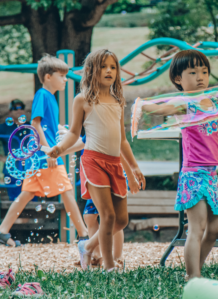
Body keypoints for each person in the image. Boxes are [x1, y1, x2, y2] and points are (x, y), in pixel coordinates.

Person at [139, 50, 218, 280]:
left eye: (204, 71)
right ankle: (193, 276)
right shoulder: (184, 104)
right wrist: (142, 105)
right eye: (192, 72)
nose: (200, 77)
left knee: (215, 229)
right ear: (178, 79)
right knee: (197, 228)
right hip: (193, 174)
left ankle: (196, 272)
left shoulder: (213, 102)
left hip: (211, 174)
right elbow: (163, 108)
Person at [47, 49, 146, 271]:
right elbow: (74, 133)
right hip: (93, 162)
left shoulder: (118, 100)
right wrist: (59, 148)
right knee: (107, 215)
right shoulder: (82, 100)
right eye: (103, 66)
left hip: (114, 163)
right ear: (91, 70)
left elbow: (122, 140)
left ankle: (87, 246)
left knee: (121, 220)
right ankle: (109, 266)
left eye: (113, 67)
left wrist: (134, 166)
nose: (109, 71)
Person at [0, 55, 89, 248]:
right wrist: (48, 151)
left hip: (40, 156)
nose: (66, 79)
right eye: (62, 75)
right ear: (48, 77)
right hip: (46, 157)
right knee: (66, 191)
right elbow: (35, 123)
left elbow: (47, 126)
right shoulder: (43, 95)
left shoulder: (49, 97)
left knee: (27, 193)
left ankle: (3, 230)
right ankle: (84, 235)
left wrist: (61, 129)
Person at [57, 132, 140, 267]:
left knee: (113, 217)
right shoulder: (92, 126)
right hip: (94, 172)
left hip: (111, 171)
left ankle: (116, 257)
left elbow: (119, 146)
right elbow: (81, 139)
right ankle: (96, 255)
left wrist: (130, 174)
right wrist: (60, 151)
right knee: (90, 216)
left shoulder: (104, 122)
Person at [0, 99, 37, 202]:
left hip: (30, 169)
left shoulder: (30, 127)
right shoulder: (3, 128)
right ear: (10, 112)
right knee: (15, 202)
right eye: (15, 108)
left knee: (31, 203)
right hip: (11, 171)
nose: (19, 110)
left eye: (21, 107)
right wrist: (2, 158)